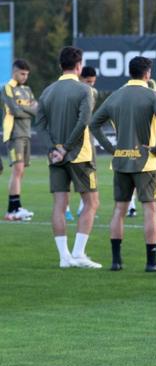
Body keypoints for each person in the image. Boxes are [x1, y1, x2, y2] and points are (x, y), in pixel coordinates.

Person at [90, 56, 156, 272]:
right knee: (150, 210)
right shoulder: (153, 95)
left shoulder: (115, 96)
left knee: (119, 209)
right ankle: (151, 261)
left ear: (130, 72)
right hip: (145, 163)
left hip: (121, 161)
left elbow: (94, 124)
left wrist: (111, 149)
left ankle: (116, 261)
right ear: (147, 73)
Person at [34, 46, 101, 268]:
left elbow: (40, 126)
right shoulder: (85, 91)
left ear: (59, 66)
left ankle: (64, 257)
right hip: (80, 156)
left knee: (59, 205)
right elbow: (84, 122)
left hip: (55, 157)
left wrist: (54, 148)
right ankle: (78, 253)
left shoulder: (47, 92)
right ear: (79, 66)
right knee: (91, 202)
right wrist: (67, 148)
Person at [127, 78, 156, 218]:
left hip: (133, 140)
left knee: (134, 172)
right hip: (150, 140)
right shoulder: (155, 98)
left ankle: (132, 207)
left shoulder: (133, 98)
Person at [3, 59, 37, 221]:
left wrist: (23, 107)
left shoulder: (28, 89)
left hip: (26, 134)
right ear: (14, 72)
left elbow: (37, 110)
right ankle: (13, 209)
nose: (25, 77)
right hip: (14, 134)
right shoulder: (7, 88)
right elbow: (14, 111)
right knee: (17, 170)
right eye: (22, 74)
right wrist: (27, 108)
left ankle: (14, 208)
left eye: (27, 74)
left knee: (21, 172)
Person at [68, 65, 99, 221]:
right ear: (80, 78)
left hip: (87, 137)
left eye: (93, 82)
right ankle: (66, 209)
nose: (91, 85)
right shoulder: (71, 91)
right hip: (68, 137)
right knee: (65, 174)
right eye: (88, 81)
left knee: (91, 171)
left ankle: (83, 207)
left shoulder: (93, 93)